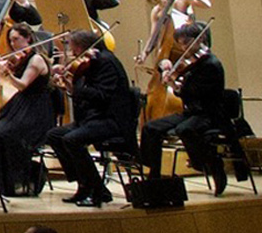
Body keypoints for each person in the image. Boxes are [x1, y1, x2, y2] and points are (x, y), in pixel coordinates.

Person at [44, 30, 138, 207]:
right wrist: (70, 87)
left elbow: (102, 96)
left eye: (73, 49)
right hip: (92, 118)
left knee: (72, 140)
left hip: (111, 120)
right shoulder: (91, 63)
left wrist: (76, 89)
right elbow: (84, 94)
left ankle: (98, 190)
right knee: (55, 135)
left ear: (81, 47)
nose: (73, 54)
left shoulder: (106, 62)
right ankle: (83, 183)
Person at [139, 23, 228, 196]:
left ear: (201, 39)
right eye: (180, 44)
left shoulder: (211, 63)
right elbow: (184, 91)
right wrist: (165, 68)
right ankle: (153, 175)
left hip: (210, 113)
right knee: (150, 128)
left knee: (184, 129)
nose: (183, 48)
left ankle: (211, 163)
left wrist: (176, 84)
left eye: (186, 43)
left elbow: (202, 93)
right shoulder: (192, 64)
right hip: (191, 112)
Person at [0, 23, 53, 196]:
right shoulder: (22, 57)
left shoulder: (36, 59)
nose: (13, 44)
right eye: (10, 40)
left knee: (4, 133)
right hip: (21, 106)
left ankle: (16, 181)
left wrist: (8, 73)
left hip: (35, 109)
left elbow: (22, 85)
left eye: (16, 39)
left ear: (28, 38)